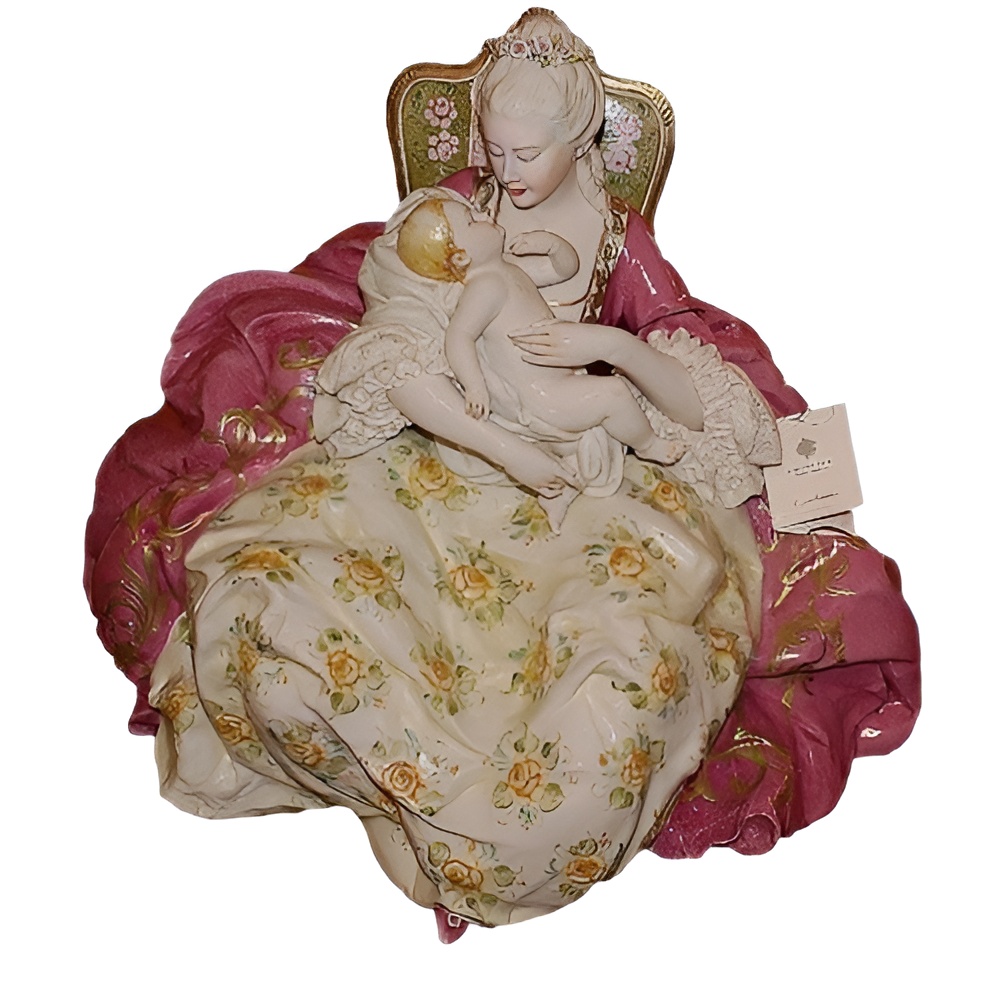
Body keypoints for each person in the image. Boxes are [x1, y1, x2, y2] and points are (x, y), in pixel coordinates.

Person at [84, 8, 919, 938]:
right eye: (492, 147)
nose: (505, 170)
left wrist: (610, 348)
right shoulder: (460, 214)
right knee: (279, 596)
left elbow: (682, 357)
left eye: (527, 152)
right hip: (448, 447)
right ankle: (378, 769)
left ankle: (487, 824)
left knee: (616, 671)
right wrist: (446, 382)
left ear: (582, 140)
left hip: (586, 469)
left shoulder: (619, 242)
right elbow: (398, 296)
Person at [315, 189, 714, 529]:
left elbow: (561, 270)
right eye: (471, 221)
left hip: (559, 379)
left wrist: (554, 247)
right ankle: (649, 444)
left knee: (602, 409)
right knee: (614, 395)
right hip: (542, 395)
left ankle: (558, 491)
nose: (481, 214)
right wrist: (474, 385)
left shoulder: (506, 270)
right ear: (460, 259)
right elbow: (459, 337)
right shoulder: (485, 288)